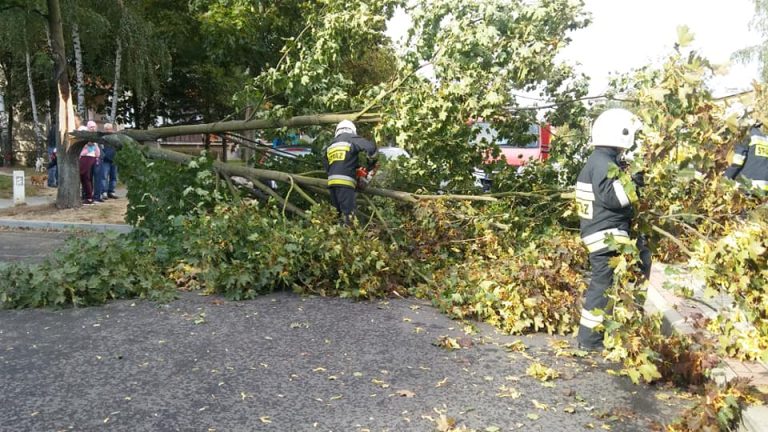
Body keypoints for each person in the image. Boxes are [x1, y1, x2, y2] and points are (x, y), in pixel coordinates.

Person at [574, 108, 650, 351]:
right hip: (607, 236)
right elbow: (614, 197)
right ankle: (590, 339)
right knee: (602, 285)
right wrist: (635, 181)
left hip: (603, 233)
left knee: (613, 280)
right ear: (622, 134)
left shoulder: (599, 160)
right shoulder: (603, 163)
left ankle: (610, 330)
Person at [322, 120, 378, 224]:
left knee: (337, 216)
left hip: (332, 184)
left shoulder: (331, 144)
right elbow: (371, 148)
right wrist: (370, 165)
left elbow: (327, 164)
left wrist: (355, 168)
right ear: (352, 130)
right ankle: (350, 236)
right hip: (345, 184)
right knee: (349, 217)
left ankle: (337, 237)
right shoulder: (351, 138)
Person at [724, 119, 768, 194]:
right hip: (764, 188)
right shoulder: (764, 137)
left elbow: (737, 161)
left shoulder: (747, 134)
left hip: (745, 187)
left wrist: (725, 178)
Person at [79, 125, 100, 205]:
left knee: (85, 177)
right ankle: (87, 196)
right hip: (86, 157)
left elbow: (92, 146)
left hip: (88, 157)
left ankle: (89, 197)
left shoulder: (90, 139)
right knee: (84, 177)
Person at [102, 123, 119, 199]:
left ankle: (111, 191)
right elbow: (101, 148)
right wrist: (103, 156)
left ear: (112, 129)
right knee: (104, 176)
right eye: (106, 129)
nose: (108, 130)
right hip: (105, 160)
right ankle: (104, 192)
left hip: (114, 160)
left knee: (114, 177)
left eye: (109, 129)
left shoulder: (116, 137)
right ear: (104, 129)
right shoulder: (102, 138)